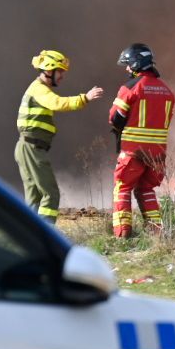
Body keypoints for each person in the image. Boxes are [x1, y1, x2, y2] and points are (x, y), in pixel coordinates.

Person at [15, 50, 103, 225]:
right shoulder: (39, 90)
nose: (62, 76)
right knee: (51, 194)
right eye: (60, 71)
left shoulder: (38, 88)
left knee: (34, 197)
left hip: (27, 148)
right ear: (49, 70)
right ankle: (47, 236)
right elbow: (58, 103)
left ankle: (30, 234)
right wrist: (85, 98)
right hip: (32, 149)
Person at [108, 43, 175, 239]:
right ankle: (156, 234)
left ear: (137, 64)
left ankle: (122, 235)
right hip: (158, 155)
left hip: (133, 152)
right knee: (146, 189)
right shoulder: (167, 91)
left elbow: (115, 118)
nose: (127, 69)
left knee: (122, 187)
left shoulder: (131, 87)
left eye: (128, 64)